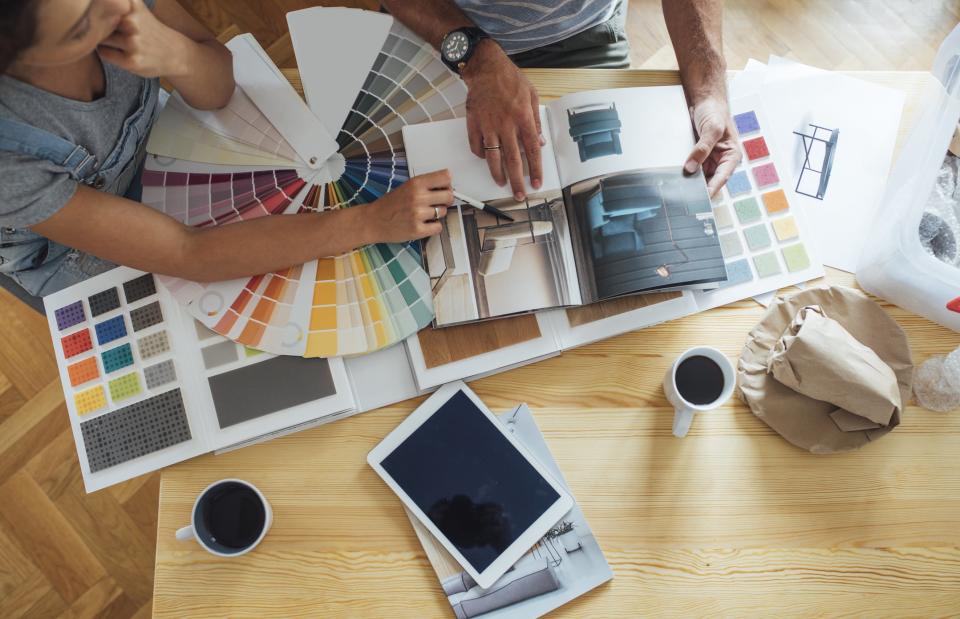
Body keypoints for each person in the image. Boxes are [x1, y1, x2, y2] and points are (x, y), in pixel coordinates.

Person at [0, 0, 454, 301]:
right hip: (70, 249)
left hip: (158, 140)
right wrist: (369, 221)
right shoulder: (9, 161)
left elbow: (216, 86)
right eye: (83, 25)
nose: (122, 7)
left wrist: (176, 55)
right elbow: (188, 254)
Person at [382, 0, 741, 200]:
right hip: (439, 24)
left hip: (584, 33)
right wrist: (477, 59)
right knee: (389, 181)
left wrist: (709, 89)